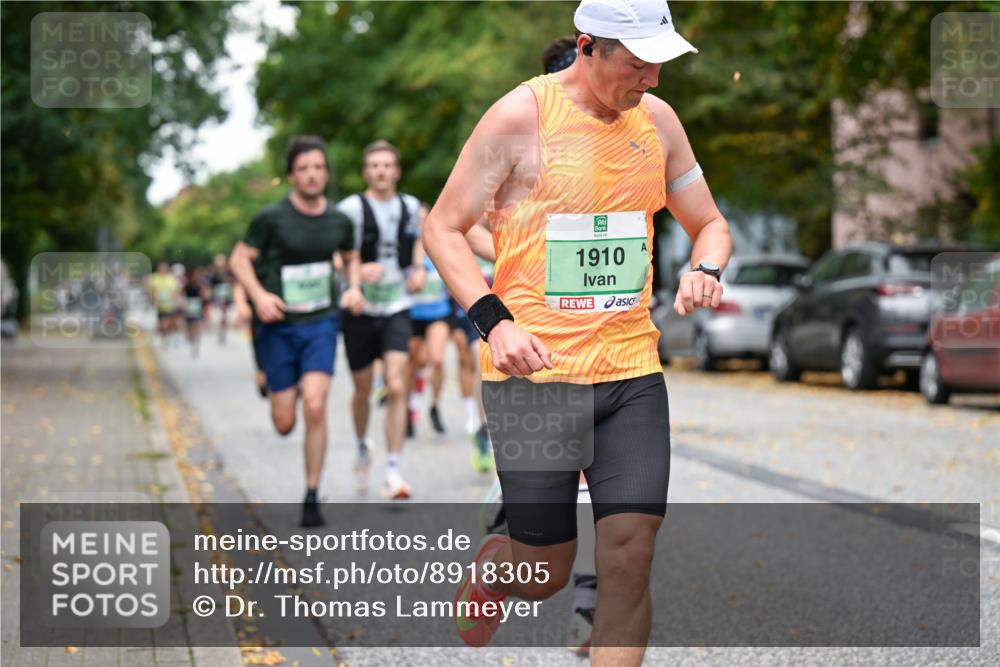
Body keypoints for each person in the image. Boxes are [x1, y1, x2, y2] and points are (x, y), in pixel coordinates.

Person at [423, 1, 732, 663]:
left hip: (629, 373)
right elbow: (443, 226)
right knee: (547, 570)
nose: (651, 77)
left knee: (630, 552)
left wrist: (705, 266)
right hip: (534, 378)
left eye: (660, 62)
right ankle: (500, 564)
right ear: (590, 46)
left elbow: (710, 222)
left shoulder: (659, 123)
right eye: (638, 62)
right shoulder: (519, 117)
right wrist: (494, 323)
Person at [229, 135, 363, 528]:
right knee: (285, 422)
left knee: (316, 405)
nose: (312, 175)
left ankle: (310, 494)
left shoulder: (339, 220)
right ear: (291, 176)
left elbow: (352, 257)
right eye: (303, 168)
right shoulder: (271, 218)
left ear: (326, 172)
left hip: (321, 322)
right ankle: (273, 383)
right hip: (277, 326)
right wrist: (258, 296)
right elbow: (239, 259)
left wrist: (353, 286)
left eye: (318, 167)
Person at [336, 140, 427, 500]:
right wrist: (355, 272)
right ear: (365, 172)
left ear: (397, 171)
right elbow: (335, 255)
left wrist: (418, 268)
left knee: (397, 383)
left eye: (387, 165)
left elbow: (420, 240)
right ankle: (362, 444)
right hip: (359, 309)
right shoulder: (350, 209)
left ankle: (393, 470)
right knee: (361, 389)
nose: (381, 171)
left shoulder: (410, 207)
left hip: (397, 306)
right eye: (374, 165)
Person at [406, 255, 452, 438]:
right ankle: (409, 407)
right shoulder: (408, 244)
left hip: (438, 313)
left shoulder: (440, 241)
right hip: (413, 314)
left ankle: (434, 405)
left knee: (438, 360)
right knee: (414, 364)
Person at [149, 261, 182, 346]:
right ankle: (164, 336)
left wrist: (175, 298)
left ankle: (171, 335)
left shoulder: (172, 278)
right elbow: (150, 290)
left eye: (164, 268)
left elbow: (177, 290)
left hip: (171, 305)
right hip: (160, 306)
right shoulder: (154, 278)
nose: (162, 270)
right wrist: (154, 298)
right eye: (161, 268)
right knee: (162, 324)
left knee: (172, 323)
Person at [182, 266, 210, 358]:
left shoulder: (200, 284)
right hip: (189, 306)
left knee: (197, 324)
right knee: (190, 324)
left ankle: (196, 340)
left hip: (198, 306)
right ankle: (190, 336)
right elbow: (181, 294)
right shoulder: (187, 285)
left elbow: (205, 297)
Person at [208, 253, 235, 344]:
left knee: (225, 314)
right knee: (220, 315)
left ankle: (223, 330)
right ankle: (221, 330)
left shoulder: (229, 272)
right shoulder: (213, 273)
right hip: (217, 296)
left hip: (226, 296)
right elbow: (210, 286)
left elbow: (233, 283)